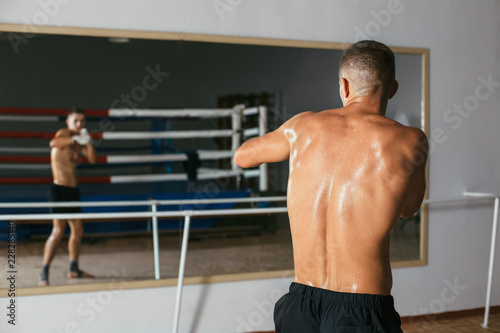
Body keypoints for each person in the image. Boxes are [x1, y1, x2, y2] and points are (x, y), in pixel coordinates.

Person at [234, 40, 428, 332]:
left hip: (300, 303)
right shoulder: (411, 140)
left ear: (344, 86)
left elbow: (243, 156)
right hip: (362, 308)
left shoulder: (301, 128)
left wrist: (292, 138)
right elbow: (408, 209)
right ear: (392, 88)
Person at [39, 107, 96, 286]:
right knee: (58, 232)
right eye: (76, 121)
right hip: (59, 190)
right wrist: (74, 137)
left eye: (82, 121)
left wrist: (87, 142)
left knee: (78, 230)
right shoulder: (64, 133)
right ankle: (43, 273)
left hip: (73, 191)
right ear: (68, 121)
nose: (79, 124)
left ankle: (73, 269)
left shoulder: (80, 140)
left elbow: (92, 159)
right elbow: (53, 143)